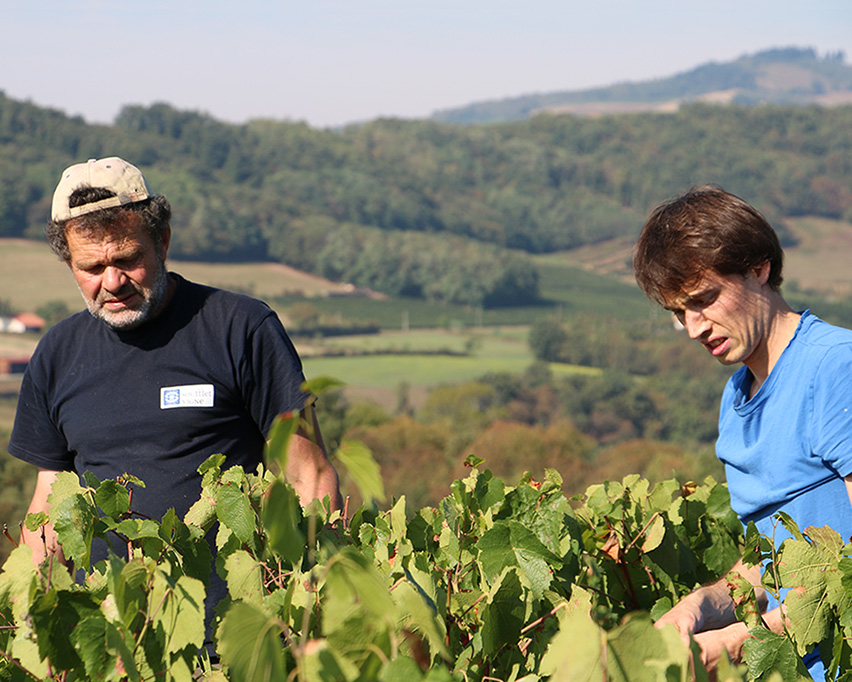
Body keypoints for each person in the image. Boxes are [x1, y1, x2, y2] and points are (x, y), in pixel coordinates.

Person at [8, 156, 342, 616]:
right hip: (112, 642)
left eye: (128, 259)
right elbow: (50, 503)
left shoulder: (240, 327)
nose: (112, 281)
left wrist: (306, 609)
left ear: (161, 242)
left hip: (237, 634)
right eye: (91, 267)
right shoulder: (56, 354)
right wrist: (32, 620)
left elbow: (310, 476)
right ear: (69, 263)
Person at [633, 185, 852, 679]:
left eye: (704, 300)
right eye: (678, 313)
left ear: (759, 268)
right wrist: (701, 606)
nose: (694, 327)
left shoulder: (836, 368)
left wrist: (735, 642)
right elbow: (767, 564)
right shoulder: (736, 400)